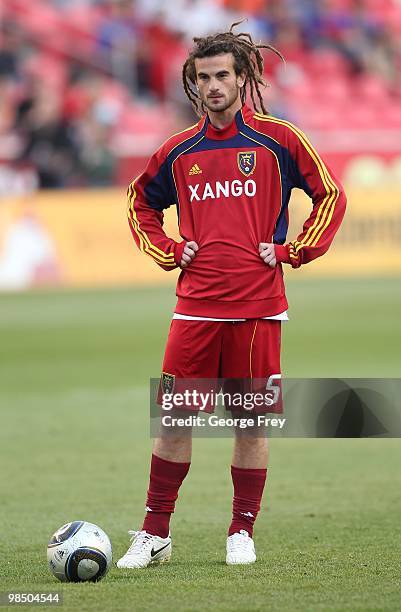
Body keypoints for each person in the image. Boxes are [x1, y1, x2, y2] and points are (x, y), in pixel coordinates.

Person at [117, 22, 346, 569]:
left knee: (250, 424)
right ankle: (155, 532)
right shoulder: (179, 151)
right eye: (203, 78)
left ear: (243, 78)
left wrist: (294, 251)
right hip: (194, 307)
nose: (213, 85)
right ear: (193, 86)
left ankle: (241, 530)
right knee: (173, 420)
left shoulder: (279, 140)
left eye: (223, 75)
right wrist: (170, 251)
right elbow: (138, 203)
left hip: (258, 308)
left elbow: (330, 195)